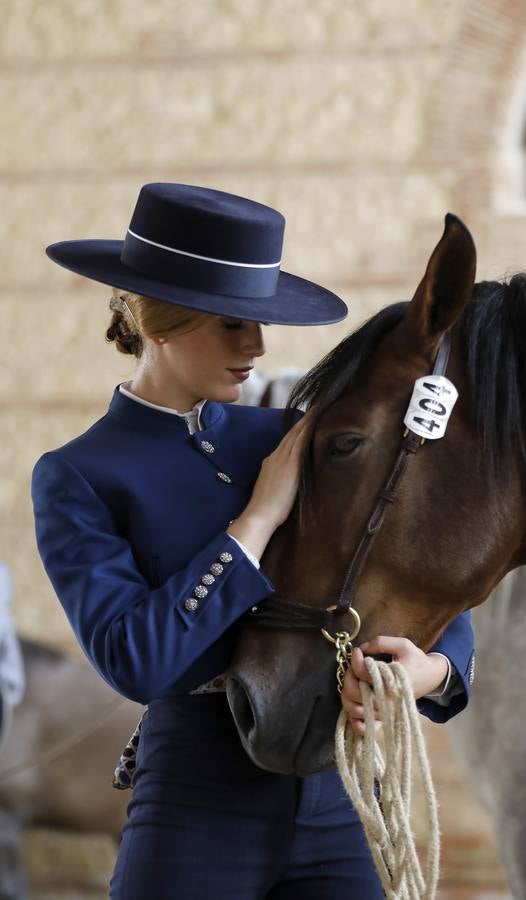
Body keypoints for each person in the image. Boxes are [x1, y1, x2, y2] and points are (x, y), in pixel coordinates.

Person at [31, 183, 475, 899]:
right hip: (194, 798)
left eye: (260, 324)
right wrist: (254, 524)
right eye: (233, 324)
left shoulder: (294, 435)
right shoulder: (78, 474)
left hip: (336, 792)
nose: (258, 347)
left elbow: (417, 574)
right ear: (161, 320)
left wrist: (432, 671)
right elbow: (134, 660)